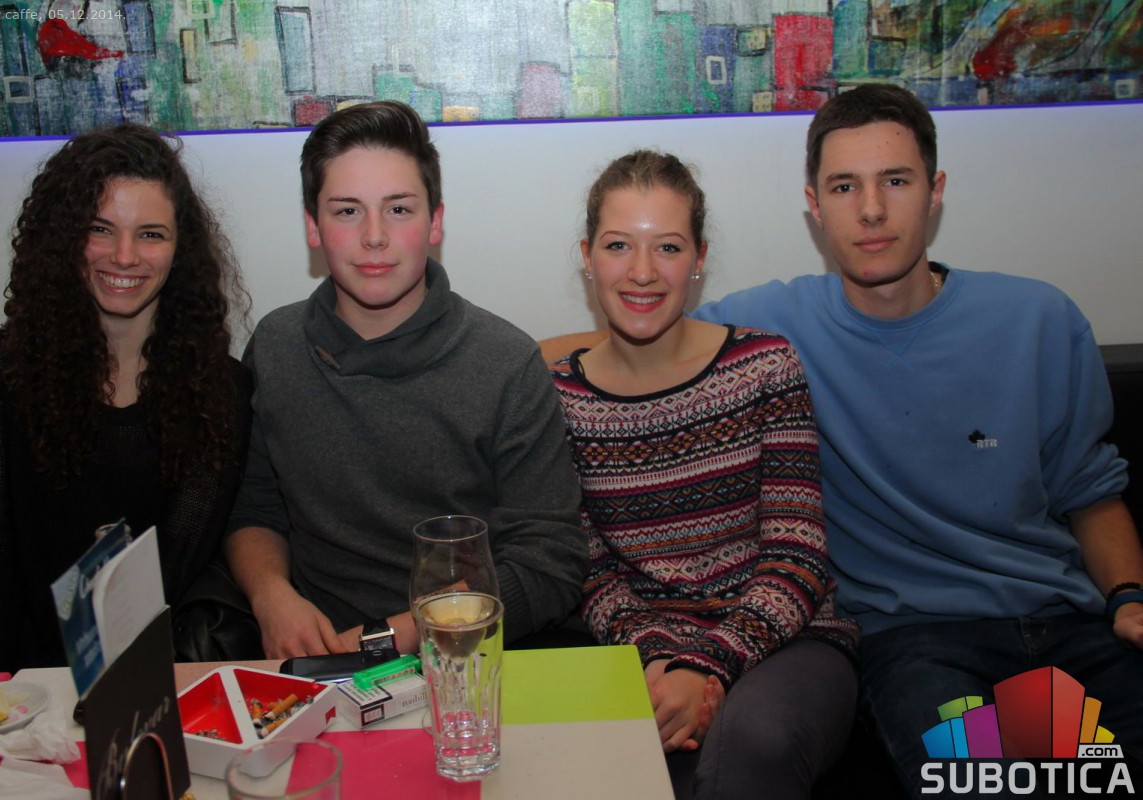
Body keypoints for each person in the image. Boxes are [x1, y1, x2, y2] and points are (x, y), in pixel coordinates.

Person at [545, 84, 1143, 793]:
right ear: (815, 204)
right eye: (843, 186)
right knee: (984, 781)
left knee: (1104, 774)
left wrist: (1128, 598)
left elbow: (1091, 493)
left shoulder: (1037, 319)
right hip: (920, 642)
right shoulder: (775, 326)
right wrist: (524, 377)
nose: (871, 209)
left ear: (934, 191)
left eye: (896, 180)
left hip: (1067, 624)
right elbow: (644, 324)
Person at [225, 101, 587, 660]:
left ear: (435, 222)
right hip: (314, 659)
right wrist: (270, 594)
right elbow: (253, 508)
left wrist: (387, 639)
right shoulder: (277, 346)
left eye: (398, 209)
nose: (374, 236)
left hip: (468, 658)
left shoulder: (505, 363)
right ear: (313, 226)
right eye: (347, 211)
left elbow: (549, 563)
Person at [550, 150, 860, 800]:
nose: (641, 272)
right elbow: (587, 569)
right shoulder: (558, 399)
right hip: (639, 649)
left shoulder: (764, 368)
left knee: (755, 745)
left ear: (698, 258)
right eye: (617, 245)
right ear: (587, 256)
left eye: (667, 247)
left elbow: (798, 554)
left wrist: (706, 664)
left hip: (785, 640)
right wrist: (662, 659)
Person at [0, 124, 253, 673]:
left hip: (152, 677)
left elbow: (167, 579)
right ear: (64, 238)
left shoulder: (219, 390)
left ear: (180, 249)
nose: (125, 256)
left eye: (151, 234)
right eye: (100, 229)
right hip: (21, 686)